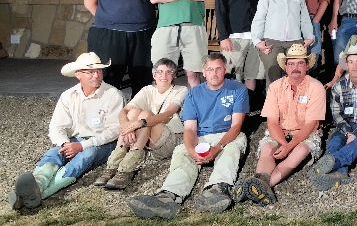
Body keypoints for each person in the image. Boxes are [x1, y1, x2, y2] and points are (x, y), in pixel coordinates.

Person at [128, 53, 249, 217]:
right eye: (210, 69)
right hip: (202, 136)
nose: (214, 73)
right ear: (203, 72)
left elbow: (236, 126)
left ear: (225, 70)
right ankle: (169, 195)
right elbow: (190, 129)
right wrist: (191, 149)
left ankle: (218, 189)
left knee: (233, 147)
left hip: (227, 134)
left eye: (218, 69)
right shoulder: (194, 93)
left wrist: (218, 147)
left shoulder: (237, 89)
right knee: (181, 151)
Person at [8, 53, 122, 210]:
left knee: (86, 156)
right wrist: (66, 143)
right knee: (54, 153)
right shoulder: (68, 95)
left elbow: (115, 131)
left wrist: (82, 146)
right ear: (78, 75)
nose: (96, 75)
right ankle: (37, 186)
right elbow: (56, 127)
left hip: (104, 144)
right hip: (75, 140)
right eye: (90, 72)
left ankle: (39, 193)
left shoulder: (113, 94)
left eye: (99, 71)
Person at [236, 44, 325, 206]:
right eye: (291, 63)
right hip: (280, 131)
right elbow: (271, 121)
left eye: (300, 63)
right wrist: (284, 143)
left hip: (306, 132)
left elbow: (311, 124)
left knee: (301, 150)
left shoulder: (316, 87)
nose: (295, 67)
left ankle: (261, 185)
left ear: (307, 66)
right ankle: (262, 187)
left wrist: (289, 147)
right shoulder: (275, 87)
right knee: (267, 148)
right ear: (286, 67)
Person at [94, 58, 187, 190]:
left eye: (168, 72)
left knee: (145, 115)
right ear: (154, 75)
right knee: (133, 112)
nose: (164, 76)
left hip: (169, 140)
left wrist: (138, 123)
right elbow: (124, 111)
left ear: (174, 75)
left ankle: (127, 168)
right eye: (160, 72)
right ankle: (113, 165)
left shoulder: (181, 90)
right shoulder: (147, 90)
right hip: (145, 140)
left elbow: (167, 114)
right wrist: (128, 127)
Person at [82, 0, 156, 96]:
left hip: (143, 34)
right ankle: (106, 114)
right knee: (108, 78)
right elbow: (89, 1)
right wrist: (107, 18)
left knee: (143, 80)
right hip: (108, 34)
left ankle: (137, 116)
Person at [309, 45, 357, 190]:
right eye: (351, 62)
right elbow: (337, 114)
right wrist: (349, 132)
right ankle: (340, 174)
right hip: (346, 125)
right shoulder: (338, 86)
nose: (354, 66)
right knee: (335, 141)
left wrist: (355, 134)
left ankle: (332, 163)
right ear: (346, 65)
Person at [215, 0, 272, 92]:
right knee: (229, 74)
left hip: (256, 37)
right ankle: (229, 109)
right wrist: (223, 36)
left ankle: (248, 109)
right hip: (234, 36)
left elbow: (269, 9)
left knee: (251, 75)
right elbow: (220, 10)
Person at [251, 0, 314, 88]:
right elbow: (259, 20)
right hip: (272, 42)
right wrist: (257, 41)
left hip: (295, 41)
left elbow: (305, 19)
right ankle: (274, 106)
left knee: (296, 75)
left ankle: (295, 104)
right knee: (273, 75)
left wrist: (309, 37)